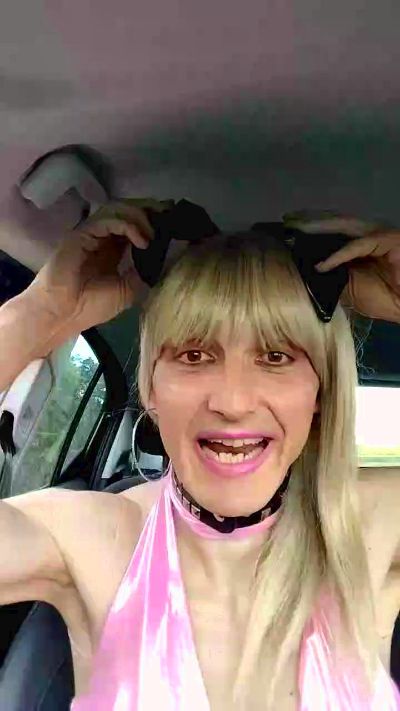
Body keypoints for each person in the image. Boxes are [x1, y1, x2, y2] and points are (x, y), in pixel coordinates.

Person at [0, 202, 399, 711]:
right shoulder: (90, 537)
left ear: (320, 392)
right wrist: (40, 312)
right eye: (194, 355)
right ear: (151, 387)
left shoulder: (373, 525)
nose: (232, 403)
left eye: (275, 357)